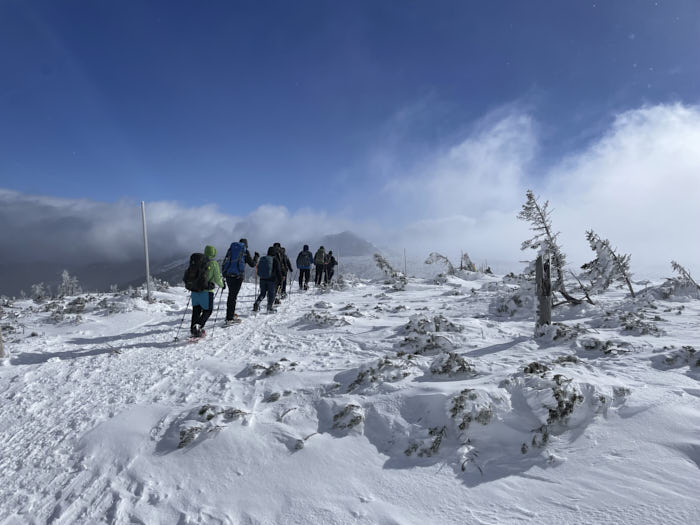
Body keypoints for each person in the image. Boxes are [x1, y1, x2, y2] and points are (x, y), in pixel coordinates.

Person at [222, 238, 259, 325]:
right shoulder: (245, 251)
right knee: (233, 297)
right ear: (246, 244)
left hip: (228, 275)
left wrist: (224, 274)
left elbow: (226, 261)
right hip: (238, 276)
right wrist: (256, 257)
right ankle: (229, 318)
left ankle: (230, 315)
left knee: (231, 295)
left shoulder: (231, 249)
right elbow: (252, 264)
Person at [190, 245, 224, 338]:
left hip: (195, 291)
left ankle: (193, 330)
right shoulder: (213, 264)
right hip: (206, 291)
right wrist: (222, 285)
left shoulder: (197, 262)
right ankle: (198, 327)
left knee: (196, 311)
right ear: (214, 253)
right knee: (208, 310)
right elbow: (217, 278)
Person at [253, 246, 282, 313]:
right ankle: (269, 307)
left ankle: (257, 303)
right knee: (271, 294)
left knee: (262, 293)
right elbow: (278, 271)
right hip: (271, 280)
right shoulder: (275, 259)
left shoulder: (263, 258)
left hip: (262, 279)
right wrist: (280, 281)